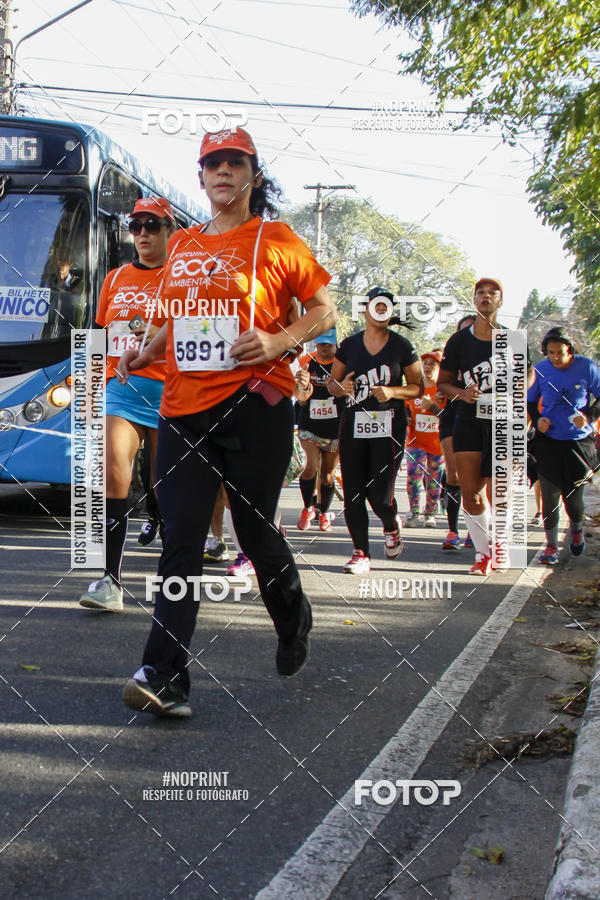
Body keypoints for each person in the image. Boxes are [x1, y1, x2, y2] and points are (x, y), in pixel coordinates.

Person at [117, 127, 335, 717]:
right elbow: (168, 323)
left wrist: (276, 339)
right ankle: (165, 677)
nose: (222, 172)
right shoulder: (183, 245)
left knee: (255, 530)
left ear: (252, 175)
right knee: (181, 540)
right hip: (183, 410)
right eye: (212, 163)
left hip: (253, 404)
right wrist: (145, 353)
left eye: (234, 163)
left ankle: (292, 616)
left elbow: (323, 310)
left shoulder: (277, 238)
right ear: (201, 176)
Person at [78, 197, 175, 609]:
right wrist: (87, 387)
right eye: (136, 226)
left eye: (152, 225)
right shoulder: (115, 278)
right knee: (112, 476)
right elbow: (98, 333)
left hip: (173, 390)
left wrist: (153, 332)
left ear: (169, 229)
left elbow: (201, 328)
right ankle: (110, 582)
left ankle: (175, 583)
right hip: (123, 388)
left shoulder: (181, 276)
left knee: (165, 486)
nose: (143, 235)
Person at [437, 278, 533, 575]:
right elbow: (443, 382)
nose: (486, 297)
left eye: (493, 293)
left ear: (500, 301)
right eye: (481, 293)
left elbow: (529, 375)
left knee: (500, 490)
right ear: (474, 299)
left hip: (503, 421)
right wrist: (463, 393)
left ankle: (500, 543)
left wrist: (520, 388)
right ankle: (481, 553)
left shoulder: (513, 338)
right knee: (472, 492)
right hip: (468, 420)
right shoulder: (460, 341)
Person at [328, 287, 423, 574]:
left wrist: (393, 390)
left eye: (386, 307)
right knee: (354, 490)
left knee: (379, 495)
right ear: (365, 309)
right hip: (353, 425)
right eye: (375, 305)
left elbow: (418, 387)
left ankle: (391, 524)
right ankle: (360, 553)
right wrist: (340, 387)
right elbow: (333, 384)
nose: (380, 310)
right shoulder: (349, 345)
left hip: (388, 426)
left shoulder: (402, 346)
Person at [527, 326, 600, 564]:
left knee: (573, 498)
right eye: (551, 352)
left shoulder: (586, 367)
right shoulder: (540, 369)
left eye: (560, 352)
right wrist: (538, 420)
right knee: (549, 493)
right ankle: (550, 546)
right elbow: (529, 401)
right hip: (548, 440)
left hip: (578, 440)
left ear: (570, 350)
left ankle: (576, 529)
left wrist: (588, 416)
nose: (556, 358)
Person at [294, 327, 343, 532]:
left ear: (335, 345)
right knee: (309, 467)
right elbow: (300, 398)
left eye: (328, 344)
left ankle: (323, 513)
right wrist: (302, 388)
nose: (323, 348)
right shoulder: (307, 362)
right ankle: (308, 508)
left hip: (334, 428)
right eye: (320, 343)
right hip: (309, 426)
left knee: (327, 475)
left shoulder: (343, 364)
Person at [437, 315, 476, 549]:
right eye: (463, 330)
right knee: (453, 476)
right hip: (452, 419)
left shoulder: (491, 356)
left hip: (480, 419)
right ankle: (452, 531)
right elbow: (439, 384)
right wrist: (441, 395)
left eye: (472, 330)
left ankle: (475, 528)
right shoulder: (452, 356)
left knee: (475, 481)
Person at [404, 350, 446, 528]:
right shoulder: (416, 387)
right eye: (425, 364)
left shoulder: (444, 390)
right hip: (415, 442)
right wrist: (406, 418)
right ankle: (414, 512)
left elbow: (448, 417)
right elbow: (405, 407)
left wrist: (433, 407)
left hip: (437, 444)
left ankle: (430, 513)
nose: (428, 368)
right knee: (413, 477)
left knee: (434, 480)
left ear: (439, 368)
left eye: (432, 364)